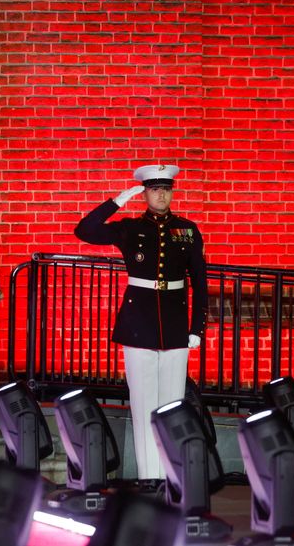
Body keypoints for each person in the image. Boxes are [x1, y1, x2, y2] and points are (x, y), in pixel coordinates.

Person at [74, 163, 207, 480]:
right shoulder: (130, 228)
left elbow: (200, 282)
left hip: (176, 326)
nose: (162, 194)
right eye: (155, 189)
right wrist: (117, 201)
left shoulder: (187, 229)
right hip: (138, 325)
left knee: (172, 405)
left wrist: (196, 328)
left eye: (166, 188)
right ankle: (150, 478)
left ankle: (171, 478)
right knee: (144, 405)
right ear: (145, 193)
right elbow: (85, 230)